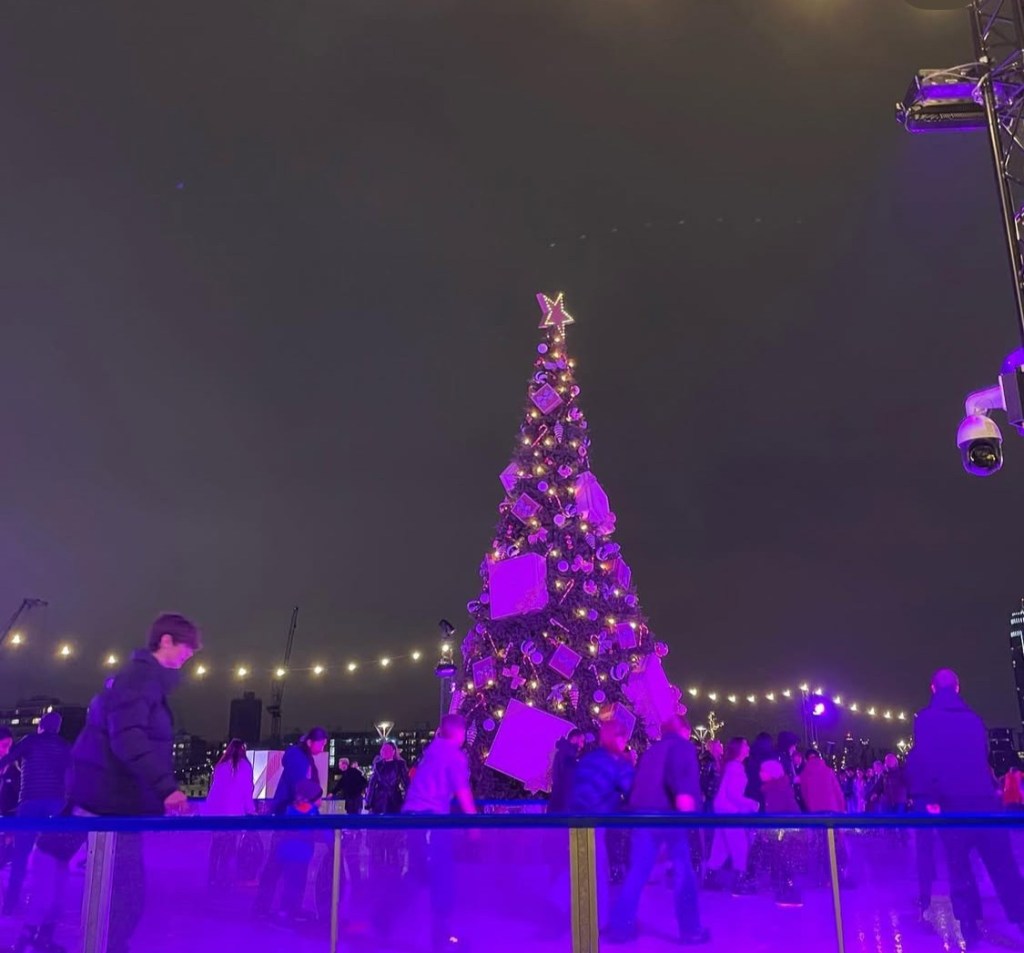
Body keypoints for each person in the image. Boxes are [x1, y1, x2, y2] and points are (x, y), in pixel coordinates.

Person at [67, 613, 201, 953]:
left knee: (123, 891)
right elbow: (128, 738)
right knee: (124, 892)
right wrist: (166, 788)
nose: (189, 656)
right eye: (186, 648)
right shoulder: (141, 679)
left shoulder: (144, 680)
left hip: (116, 800)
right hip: (112, 802)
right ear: (166, 640)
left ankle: (107, 944)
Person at [907, 668, 1024, 943]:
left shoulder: (925, 720)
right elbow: (981, 760)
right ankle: (1021, 920)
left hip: (952, 804)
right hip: (984, 803)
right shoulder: (973, 720)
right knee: (1004, 867)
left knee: (959, 868)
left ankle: (970, 928)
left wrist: (933, 799)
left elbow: (926, 761)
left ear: (932, 688)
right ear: (958, 688)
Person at [606, 715, 709, 946]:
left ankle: (620, 927)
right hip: (669, 817)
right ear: (685, 729)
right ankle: (691, 930)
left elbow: (637, 785)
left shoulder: (652, 751)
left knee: (637, 873)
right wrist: (691, 819)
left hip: (643, 817)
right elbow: (682, 783)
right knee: (684, 873)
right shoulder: (682, 746)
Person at [401, 714, 476, 952]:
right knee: (440, 875)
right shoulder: (453, 755)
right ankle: (439, 933)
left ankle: (393, 918)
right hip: (430, 820)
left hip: (415, 817)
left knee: (419, 873)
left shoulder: (433, 750)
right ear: (459, 732)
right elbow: (463, 791)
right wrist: (474, 825)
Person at [0, 712, 71, 915]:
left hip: (30, 802)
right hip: (55, 804)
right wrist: (66, 802)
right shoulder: (64, 745)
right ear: (58, 728)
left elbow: (9, 758)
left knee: (21, 855)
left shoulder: (31, 741)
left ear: (40, 725)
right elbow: (70, 776)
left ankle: (10, 904)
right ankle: (51, 905)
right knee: (52, 857)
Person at [255, 778, 325, 925]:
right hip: (297, 854)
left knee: (295, 883)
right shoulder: (310, 813)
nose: (322, 801)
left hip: (294, 853)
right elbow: (317, 831)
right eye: (319, 798)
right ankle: (286, 912)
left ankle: (290, 910)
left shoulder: (294, 810)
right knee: (294, 884)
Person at [706, 737, 759, 894]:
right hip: (730, 813)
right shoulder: (736, 768)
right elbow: (733, 795)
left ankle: (710, 877)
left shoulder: (730, 766)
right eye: (746, 744)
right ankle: (740, 882)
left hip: (722, 811)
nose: (748, 747)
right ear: (739, 749)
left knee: (721, 846)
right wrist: (752, 804)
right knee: (739, 845)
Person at [203, 739, 256, 887]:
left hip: (217, 813)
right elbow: (247, 792)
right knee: (231, 847)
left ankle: (212, 877)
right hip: (234, 813)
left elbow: (215, 791)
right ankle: (226, 878)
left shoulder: (220, 766)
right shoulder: (245, 767)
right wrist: (251, 810)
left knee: (216, 845)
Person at [760, 758, 802, 907]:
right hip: (785, 830)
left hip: (784, 831)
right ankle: (783, 888)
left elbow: (775, 812)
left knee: (783, 859)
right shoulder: (776, 787)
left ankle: (788, 891)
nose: (760, 774)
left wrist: (770, 831)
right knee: (781, 859)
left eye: (763, 771)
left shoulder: (775, 789)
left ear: (771, 773)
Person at [271, 728, 328, 816]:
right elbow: (297, 782)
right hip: (292, 809)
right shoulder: (298, 756)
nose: (322, 749)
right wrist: (312, 798)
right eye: (321, 744)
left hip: (295, 807)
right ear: (309, 742)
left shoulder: (304, 757)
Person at [365, 742, 410, 816]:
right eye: (383, 750)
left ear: (393, 751)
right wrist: (368, 802)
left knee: (394, 823)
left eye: (387, 750)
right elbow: (372, 784)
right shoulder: (378, 765)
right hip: (379, 800)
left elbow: (406, 782)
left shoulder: (400, 764)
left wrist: (410, 799)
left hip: (395, 798)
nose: (385, 752)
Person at [548, 729, 585, 813]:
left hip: (559, 806)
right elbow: (568, 784)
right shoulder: (568, 757)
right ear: (574, 739)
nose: (582, 745)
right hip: (563, 809)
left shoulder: (564, 754)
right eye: (581, 741)